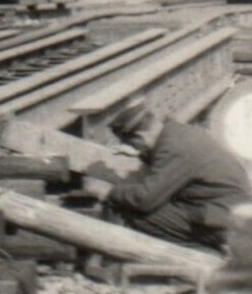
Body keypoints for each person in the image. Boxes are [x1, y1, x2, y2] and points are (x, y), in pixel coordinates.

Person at [91, 98, 251, 251]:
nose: (136, 148)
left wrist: (109, 192)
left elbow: (145, 200)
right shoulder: (178, 133)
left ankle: (200, 258)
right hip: (229, 210)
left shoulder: (174, 149)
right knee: (158, 199)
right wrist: (141, 153)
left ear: (140, 137)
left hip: (224, 223)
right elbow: (170, 163)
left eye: (134, 144)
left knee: (135, 212)